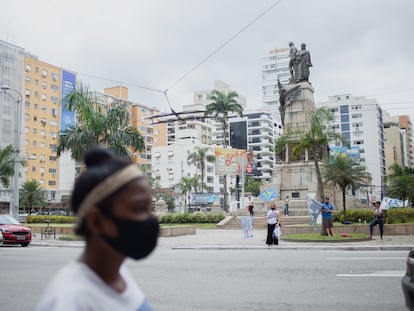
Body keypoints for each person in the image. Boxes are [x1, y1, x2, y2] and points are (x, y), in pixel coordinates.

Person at [35, 145, 159, 311]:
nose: (152, 218)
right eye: (138, 208)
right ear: (96, 222)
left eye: (150, 208)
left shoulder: (117, 274)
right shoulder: (70, 300)